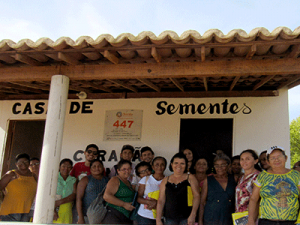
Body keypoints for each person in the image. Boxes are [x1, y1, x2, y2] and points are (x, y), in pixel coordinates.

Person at [247, 146, 300, 225]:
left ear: (285, 158)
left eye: (279, 156)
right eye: (272, 158)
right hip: (267, 222)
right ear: (268, 161)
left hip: (291, 222)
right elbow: (254, 199)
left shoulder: (296, 175)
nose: (276, 160)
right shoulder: (263, 176)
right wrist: (250, 220)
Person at [156, 152, 200, 225]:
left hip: (186, 218)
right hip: (169, 218)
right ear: (171, 164)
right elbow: (161, 200)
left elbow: (197, 196)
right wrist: (158, 219)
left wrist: (193, 215)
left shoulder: (190, 178)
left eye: (182, 163)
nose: (179, 166)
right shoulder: (166, 180)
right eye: (176, 163)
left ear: (186, 165)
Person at [199, 152, 236, 225]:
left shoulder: (234, 179)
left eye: (223, 165)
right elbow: (202, 202)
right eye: (217, 165)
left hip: (228, 218)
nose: (219, 168)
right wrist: (200, 221)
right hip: (211, 218)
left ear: (228, 166)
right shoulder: (208, 180)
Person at [0, 153, 37, 222]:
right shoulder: (11, 174)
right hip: (10, 212)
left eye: (25, 161)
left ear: (29, 163)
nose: (23, 163)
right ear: (16, 164)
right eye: (20, 162)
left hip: (26, 212)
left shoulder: (34, 176)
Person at [102, 160, 135, 224]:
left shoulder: (128, 182)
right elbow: (106, 196)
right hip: (114, 214)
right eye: (124, 169)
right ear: (118, 171)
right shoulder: (115, 179)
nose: (127, 171)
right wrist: (124, 204)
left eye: (129, 169)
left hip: (125, 217)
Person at [76, 159, 108, 224]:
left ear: (103, 168)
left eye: (99, 166)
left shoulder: (107, 180)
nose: (97, 168)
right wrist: (81, 218)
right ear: (90, 169)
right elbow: (79, 198)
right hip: (86, 216)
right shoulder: (85, 180)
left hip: (102, 216)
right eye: (94, 166)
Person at [136, 156, 167, 225]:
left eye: (162, 164)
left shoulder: (168, 181)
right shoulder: (145, 179)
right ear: (152, 167)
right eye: (157, 164)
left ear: (165, 167)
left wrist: (157, 204)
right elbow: (138, 198)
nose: (159, 167)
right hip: (144, 216)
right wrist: (149, 202)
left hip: (161, 216)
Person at [53, 158, 77, 224]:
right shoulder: (53, 177)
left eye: (68, 167)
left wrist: (59, 202)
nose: (66, 168)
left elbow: (74, 194)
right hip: (53, 207)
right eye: (63, 166)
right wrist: (53, 209)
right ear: (59, 167)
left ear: (71, 168)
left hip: (67, 208)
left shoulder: (73, 179)